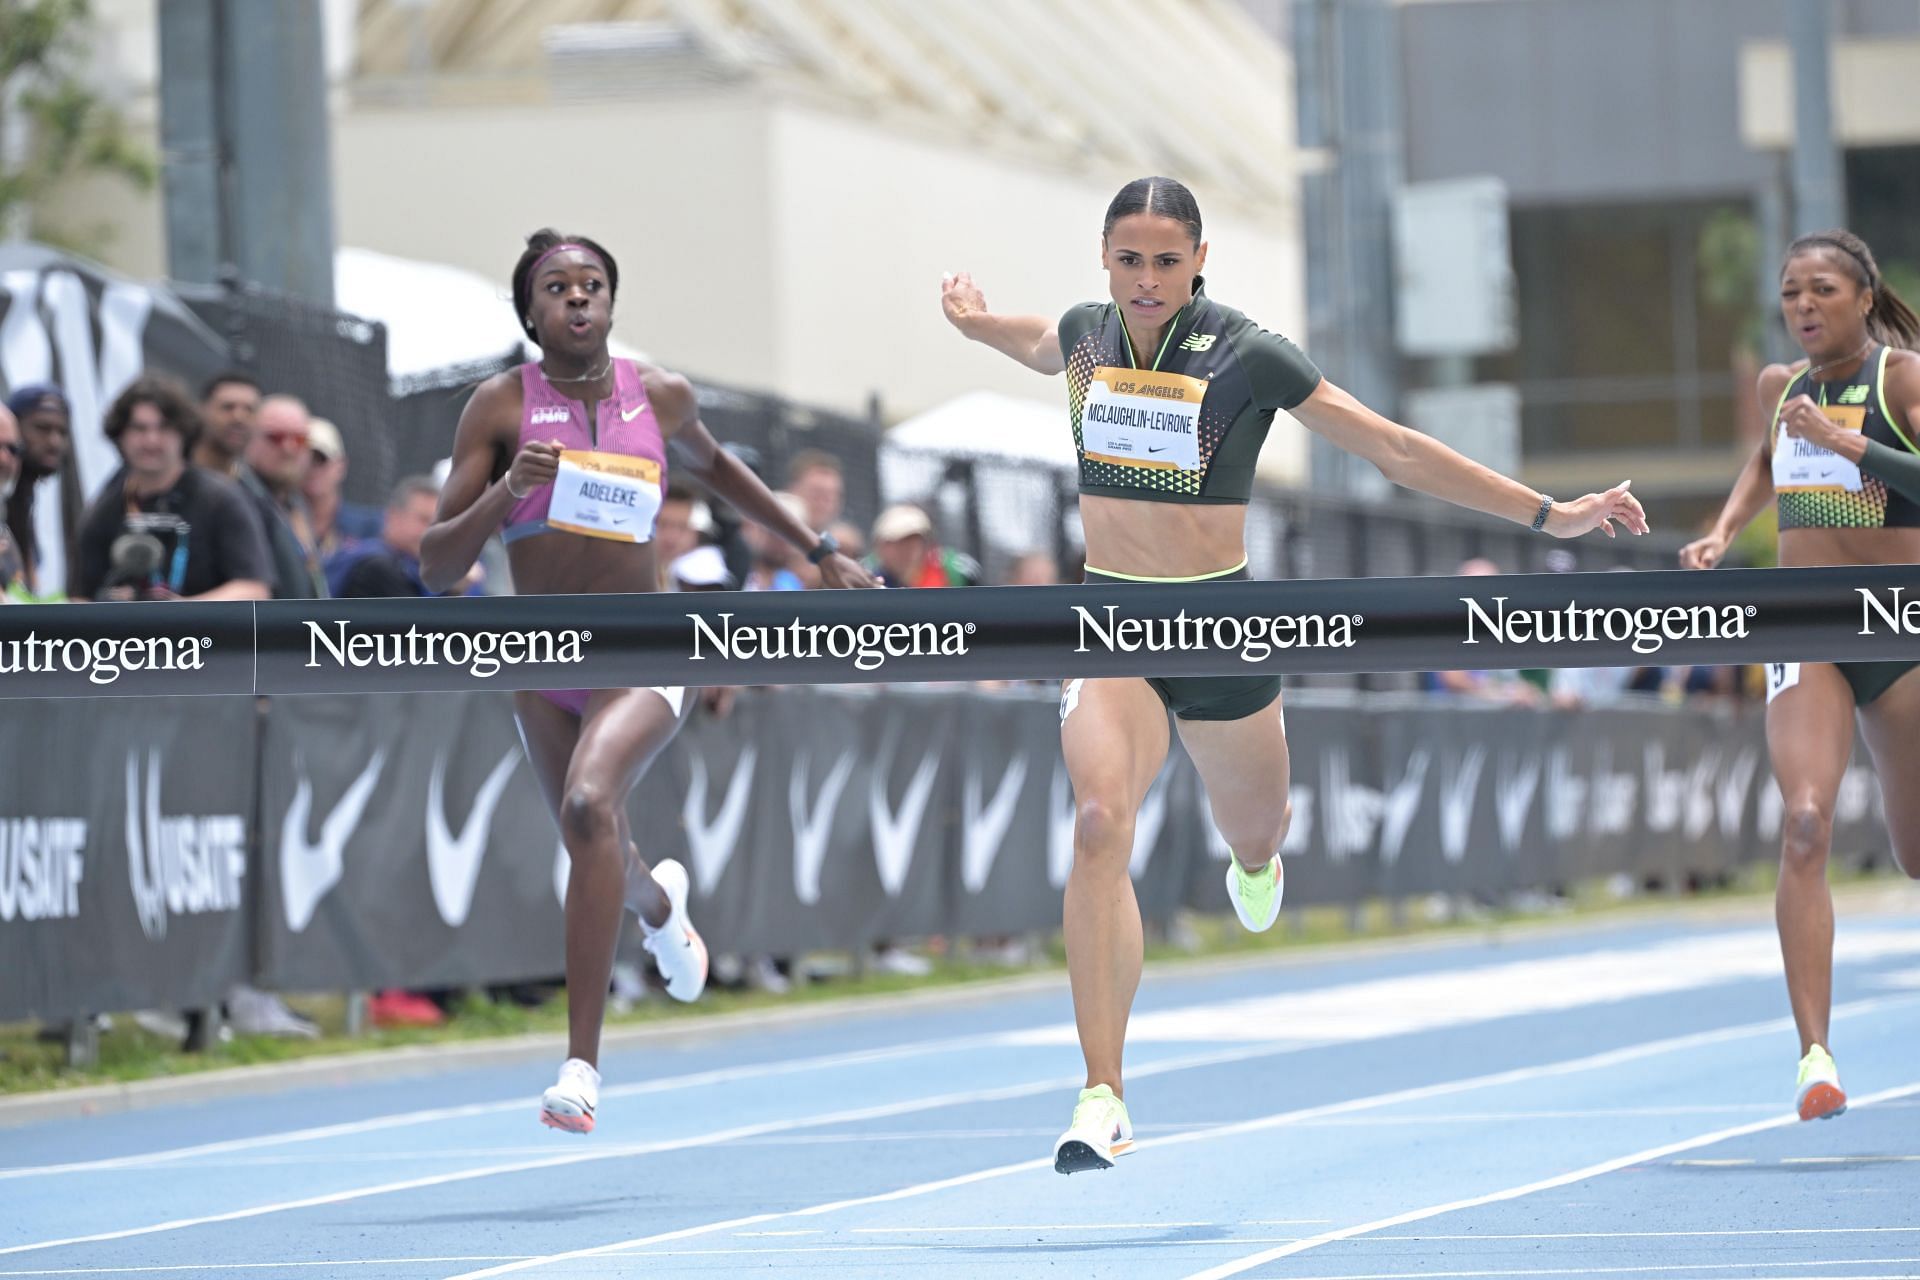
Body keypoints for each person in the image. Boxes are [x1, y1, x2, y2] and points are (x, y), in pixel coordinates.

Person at [941, 176, 1645, 1174]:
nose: (1147, 280)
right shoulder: (1086, 335)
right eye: (1129, 259)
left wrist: (1548, 512)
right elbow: (1033, 341)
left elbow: (1394, 448)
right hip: (1109, 622)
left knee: (1256, 829)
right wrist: (974, 325)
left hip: (1221, 625)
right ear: (1105, 259)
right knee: (1100, 821)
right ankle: (1103, 1091)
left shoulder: (1247, 351)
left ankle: (1258, 860)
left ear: (1199, 261)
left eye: (1166, 261)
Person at [420, 229, 875, 1134]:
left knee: (591, 806)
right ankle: (662, 907)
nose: (578, 300)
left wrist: (817, 550)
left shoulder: (656, 396)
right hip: (541, 659)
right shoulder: (498, 407)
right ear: (531, 311)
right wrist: (508, 491)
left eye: (593, 285)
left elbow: (726, 471)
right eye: (558, 287)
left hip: (647, 645)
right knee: (596, 841)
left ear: (612, 303)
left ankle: (581, 1066)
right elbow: (437, 566)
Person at [1681, 228, 1920, 1123]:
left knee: (1915, 852)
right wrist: (1723, 526)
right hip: (1807, 627)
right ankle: (1814, 1057)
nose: (1804, 306)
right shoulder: (1781, 389)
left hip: (1902, 629)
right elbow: (1764, 461)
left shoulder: (1901, 380)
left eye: (1821, 289)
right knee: (1806, 823)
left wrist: (1848, 444)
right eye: (1790, 294)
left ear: (1864, 297)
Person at [71, 374, 273, 603]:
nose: (151, 441)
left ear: (183, 433)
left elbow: (253, 589)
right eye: (139, 428)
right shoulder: (106, 506)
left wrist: (181, 611)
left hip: (203, 635)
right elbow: (79, 596)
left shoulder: (220, 499)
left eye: (163, 428)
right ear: (121, 435)